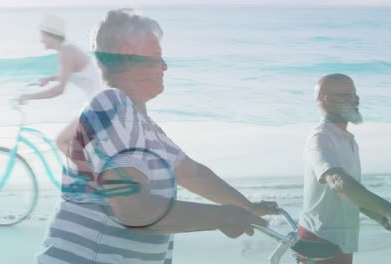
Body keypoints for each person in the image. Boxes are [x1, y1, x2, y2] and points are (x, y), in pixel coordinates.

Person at [36, 8, 279, 264]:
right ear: (129, 55)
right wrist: (221, 217)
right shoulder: (113, 106)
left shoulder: (143, 125)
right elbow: (135, 212)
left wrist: (245, 206)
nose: (165, 66)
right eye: (156, 57)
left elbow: (193, 173)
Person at [298, 73, 391, 264]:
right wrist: (389, 209)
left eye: (355, 94)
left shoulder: (348, 140)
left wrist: (379, 216)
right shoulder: (320, 137)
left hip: (342, 241)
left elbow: (348, 194)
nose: (356, 99)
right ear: (327, 100)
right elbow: (338, 182)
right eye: (347, 95)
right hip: (320, 240)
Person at [17, 14, 104, 155]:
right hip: (100, 105)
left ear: (51, 35)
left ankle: (89, 175)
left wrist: (28, 97)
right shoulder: (68, 49)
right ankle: (89, 171)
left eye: (43, 36)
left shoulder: (66, 52)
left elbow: (59, 90)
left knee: (61, 141)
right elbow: (71, 75)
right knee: (82, 148)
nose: (41, 40)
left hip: (97, 108)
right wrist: (50, 78)